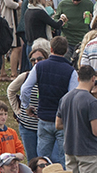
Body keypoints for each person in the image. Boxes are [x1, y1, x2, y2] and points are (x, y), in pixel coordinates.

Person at [19, 36, 77, 164]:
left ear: (51, 49)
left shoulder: (39, 67)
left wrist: (26, 105)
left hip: (44, 117)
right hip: (62, 120)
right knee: (63, 159)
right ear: (66, 50)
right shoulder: (71, 71)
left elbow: (25, 89)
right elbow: (73, 96)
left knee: (43, 158)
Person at [57, 66, 97, 173]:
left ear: (78, 78)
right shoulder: (92, 101)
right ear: (93, 79)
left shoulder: (65, 98)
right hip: (88, 151)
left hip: (70, 149)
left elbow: (58, 124)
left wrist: (74, 123)